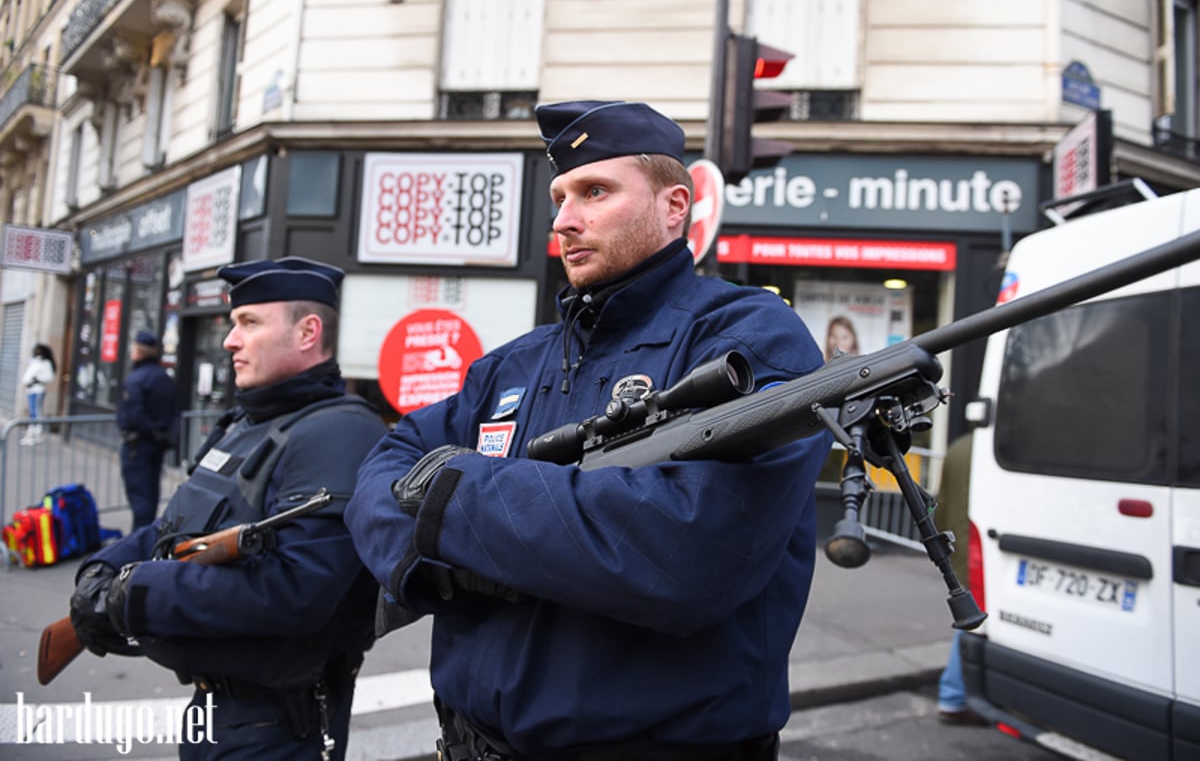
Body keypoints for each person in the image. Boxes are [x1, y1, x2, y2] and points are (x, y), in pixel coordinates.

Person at [346, 101, 833, 760]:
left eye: (595, 191)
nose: (565, 219)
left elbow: (685, 551)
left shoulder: (745, 340)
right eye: (559, 197)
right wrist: (450, 574)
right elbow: (383, 471)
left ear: (673, 206)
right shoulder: (512, 364)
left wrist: (456, 501)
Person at [68, 257, 387, 760]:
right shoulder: (247, 421)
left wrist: (136, 594)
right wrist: (103, 571)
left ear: (308, 332)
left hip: (280, 721)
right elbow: (177, 521)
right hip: (213, 709)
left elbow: (295, 592)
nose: (229, 340)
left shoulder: (340, 432)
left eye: (249, 323)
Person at [934, 431, 987, 726]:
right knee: (972, 621)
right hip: (981, 547)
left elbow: (942, 501)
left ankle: (954, 695)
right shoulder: (998, 447)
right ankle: (952, 696)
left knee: (971, 616)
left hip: (959, 546)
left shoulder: (958, 448)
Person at [117, 331, 181, 530]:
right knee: (149, 496)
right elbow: (175, 412)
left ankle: (139, 547)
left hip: (138, 446)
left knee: (140, 501)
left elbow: (133, 415)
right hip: (155, 445)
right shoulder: (164, 377)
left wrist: (151, 432)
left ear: (138, 352)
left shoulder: (137, 379)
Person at [20, 343, 56, 445]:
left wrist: (38, 380)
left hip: (38, 390)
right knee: (32, 412)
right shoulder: (35, 361)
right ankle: (30, 433)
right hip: (31, 390)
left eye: (39, 351)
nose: (37, 353)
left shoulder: (46, 363)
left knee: (36, 411)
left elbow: (49, 376)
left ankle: (37, 433)